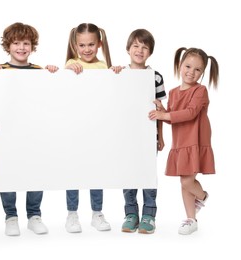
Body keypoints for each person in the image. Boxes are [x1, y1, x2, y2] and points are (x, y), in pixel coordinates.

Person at [0, 22, 58, 236]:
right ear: (7, 46)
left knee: (36, 170)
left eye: (26, 43)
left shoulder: (39, 71)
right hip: (7, 134)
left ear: (32, 46)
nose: (21, 47)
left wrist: (53, 74)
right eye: (16, 43)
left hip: (35, 132)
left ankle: (34, 215)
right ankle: (11, 216)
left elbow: (51, 99)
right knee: (7, 171)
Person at [148, 47, 219, 235]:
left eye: (197, 70)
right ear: (180, 66)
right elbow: (171, 118)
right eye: (188, 66)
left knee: (188, 182)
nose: (191, 72)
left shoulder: (200, 90)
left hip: (195, 139)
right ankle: (191, 219)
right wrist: (162, 110)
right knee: (184, 181)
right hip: (180, 142)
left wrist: (166, 113)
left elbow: (190, 113)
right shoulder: (173, 92)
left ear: (202, 73)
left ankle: (203, 196)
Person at [64, 22, 122, 233]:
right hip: (75, 127)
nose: (86, 49)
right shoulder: (72, 63)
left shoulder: (103, 66)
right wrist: (69, 69)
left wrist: (115, 72)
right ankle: (72, 214)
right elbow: (63, 84)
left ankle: (97, 212)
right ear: (75, 45)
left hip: (98, 128)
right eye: (82, 45)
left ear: (99, 44)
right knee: (73, 172)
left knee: (97, 171)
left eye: (91, 44)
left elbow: (111, 93)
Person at [120, 29, 166, 234]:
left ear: (150, 52)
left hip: (148, 136)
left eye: (145, 47)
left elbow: (160, 111)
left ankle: (149, 214)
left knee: (148, 174)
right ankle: (131, 213)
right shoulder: (119, 74)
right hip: (126, 135)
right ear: (128, 49)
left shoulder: (155, 77)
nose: (140, 50)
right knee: (128, 173)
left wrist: (161, 136)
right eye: (136, 46)